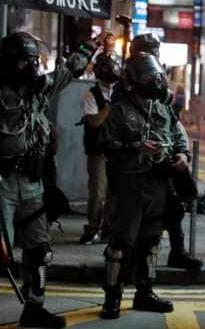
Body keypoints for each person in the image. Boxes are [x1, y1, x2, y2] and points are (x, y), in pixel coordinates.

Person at [0, 31, 91, 328]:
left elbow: (67, 72)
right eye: (26, 61)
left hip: (32, 182)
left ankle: (34, 308)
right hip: (2, 183)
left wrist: (91, 46)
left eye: (34, 61)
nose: (33, 67)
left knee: (40, 251)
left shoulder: (38, 90)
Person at [99, 53, 191, 319]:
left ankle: (145, 293)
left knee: (151, 242)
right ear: (134, 80)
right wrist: (135, 147)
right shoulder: (119, 109)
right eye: (150, 77)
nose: (156, 82)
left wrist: (183, 156)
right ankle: (112, 297)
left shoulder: (162, 108)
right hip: (130, 185)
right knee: (120, 245)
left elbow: (178, 137)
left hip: (158, 185)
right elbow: (106, 145)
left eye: (157, 76)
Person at [79, 54, 120, 244]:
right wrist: (110, 107)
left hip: (117, 151)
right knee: (98, 193)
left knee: (114, 193)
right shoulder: (91, 94)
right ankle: (92, 229)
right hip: (98, 151)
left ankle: (108, 230)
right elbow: (94, 121)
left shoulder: (118, 91)